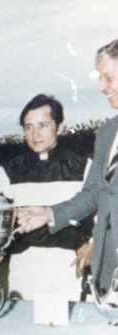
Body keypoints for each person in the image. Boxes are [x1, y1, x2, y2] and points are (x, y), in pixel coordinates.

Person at [16, 39, 118, 300]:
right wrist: (50, 213)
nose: (101, 87)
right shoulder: (107, 134)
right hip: (108, 271)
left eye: (108, 77)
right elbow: (94, 193)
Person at [0, 95, 93, 302]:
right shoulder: (7, 173)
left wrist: (93, 244)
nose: (35, 134)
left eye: (43, 125)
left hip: (70, 268)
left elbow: (102, 215)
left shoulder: (84, 168)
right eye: (29, 127)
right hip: (25, 269)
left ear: (60, 127)